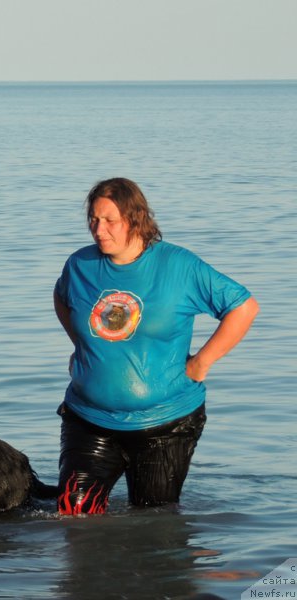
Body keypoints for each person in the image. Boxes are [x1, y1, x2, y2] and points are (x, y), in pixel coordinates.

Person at [53, 177, 258, 514]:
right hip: (89, 418)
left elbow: (243, 307)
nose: (98, 229)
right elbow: (62, 298)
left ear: (136, 219)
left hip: (165, 424)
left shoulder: (178, 266)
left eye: (109, 221)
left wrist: (201, 363)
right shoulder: (80, 265)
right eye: (93, 219)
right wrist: (81, 345)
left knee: (153, 526)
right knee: (73, 515)